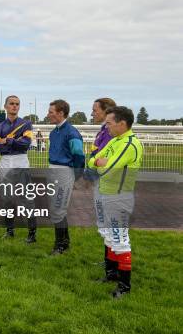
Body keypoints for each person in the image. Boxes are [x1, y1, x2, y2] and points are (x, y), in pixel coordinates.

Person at [87, 106, 143, 298]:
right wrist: (98, 162)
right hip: (106, 195)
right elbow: (93, 160)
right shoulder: (116, 140)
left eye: (109, 123)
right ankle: (111, 275)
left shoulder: (129, 143)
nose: (106, 126)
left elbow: (107, 169)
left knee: (120, 240)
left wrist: (101, 164)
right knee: (108, 236)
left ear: (122, 123)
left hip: (119, 197)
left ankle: (124, 287)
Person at [0, 95, 36, 242]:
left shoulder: (26, 124)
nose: (14, 106)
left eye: (17, 104)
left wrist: (8, 140)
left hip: (21, 161)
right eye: (11, 104)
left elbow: (26, 144)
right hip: (5, 162)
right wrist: (14, 141)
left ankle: (32, 234)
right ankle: (9, 230)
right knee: (7, 199)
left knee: (26, 198)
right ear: (5, 106)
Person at [47, 99, 85, 255]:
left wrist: (75, 176)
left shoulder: (72, 132)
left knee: (58, 209)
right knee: (55, 209)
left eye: (51, 112)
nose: (48, 115)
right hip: (53, 170)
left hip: (64, 172)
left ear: (61, 113)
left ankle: (60, 245)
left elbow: (79, 156)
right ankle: (65, 242)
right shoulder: (53, 132)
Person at [86, 98, 117, 280]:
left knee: (109, 224)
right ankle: (109, 262)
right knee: (103, 223)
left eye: (95, 110)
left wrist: (93, 166)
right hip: (101, 181)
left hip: (108, 183)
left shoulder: (112, 133)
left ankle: (113, 270)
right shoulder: (103, 130)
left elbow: (102, 159)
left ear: (106, 111)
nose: (92, 113)